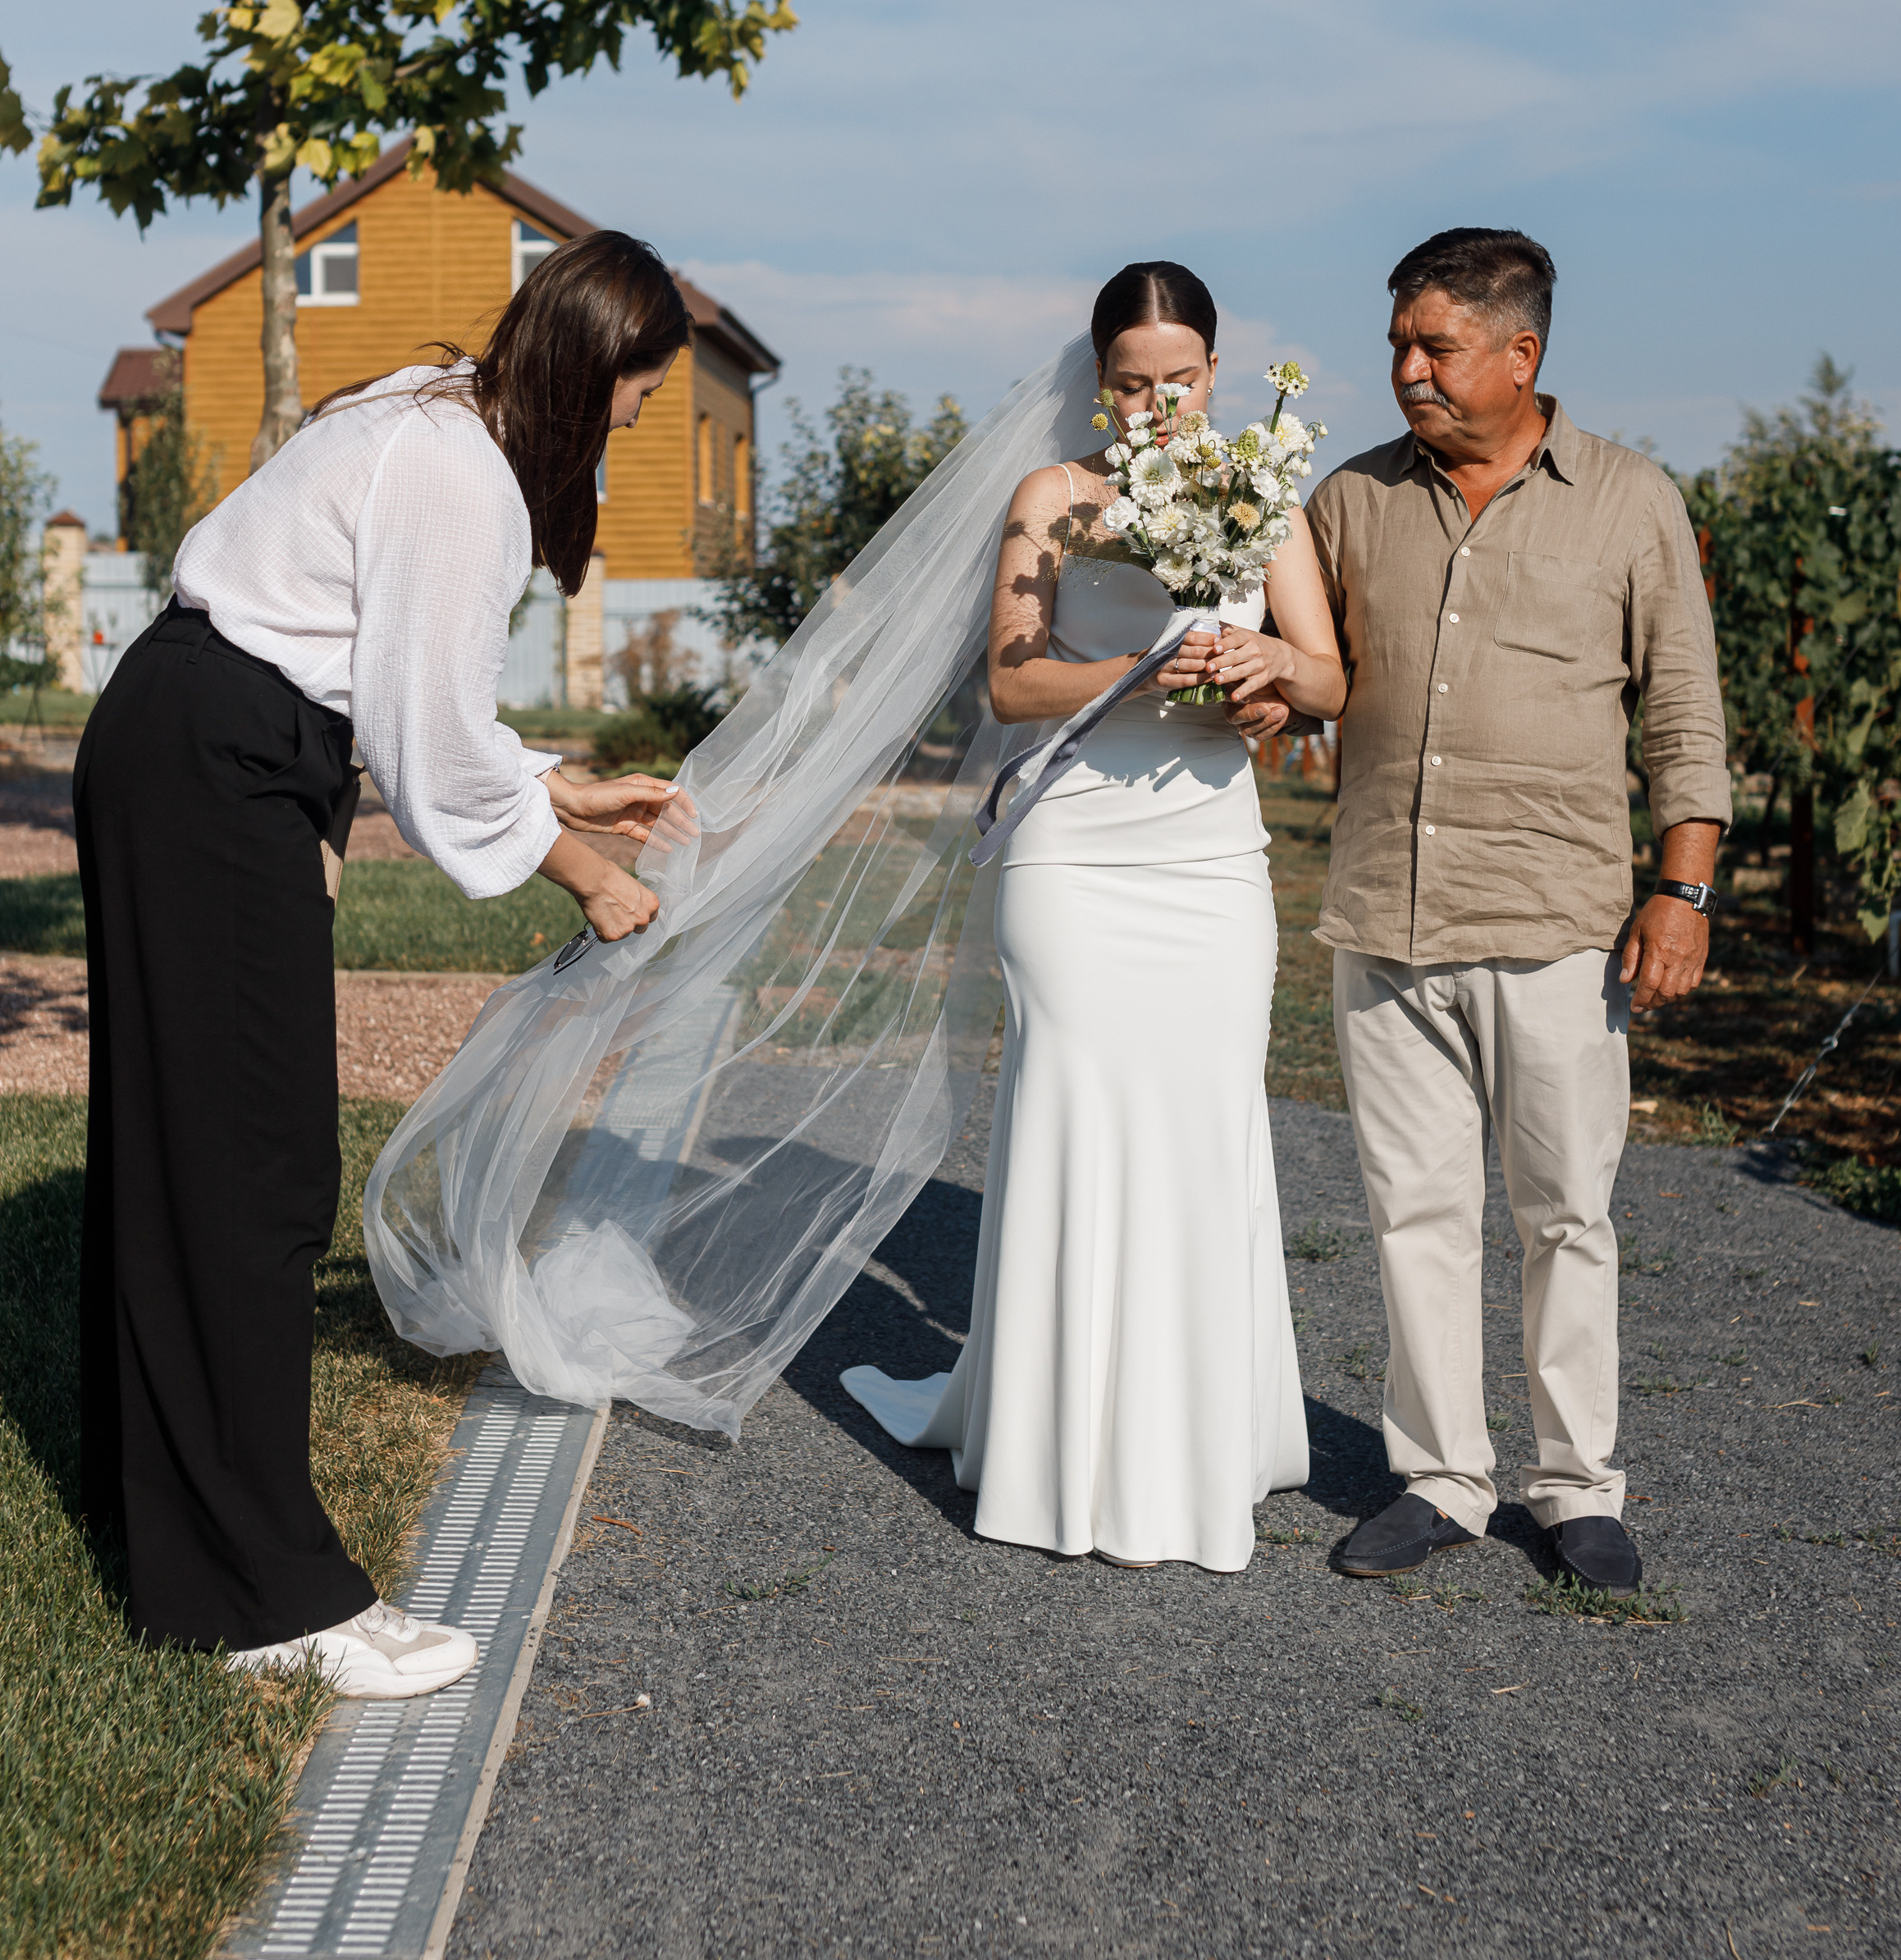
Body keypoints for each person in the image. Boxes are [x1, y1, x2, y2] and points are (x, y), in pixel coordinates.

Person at [77, 234, 695, 1697]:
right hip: (216, 761)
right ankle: (269, 1602)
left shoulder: (430, 410)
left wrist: (550, 782)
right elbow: (427, 737)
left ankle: (161, 1525)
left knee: (189, 1156)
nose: (632, 425)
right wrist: (591, 873)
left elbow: (387, 686)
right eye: (642, 398)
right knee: (251, 1176)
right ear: (599, 367)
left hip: (196, 737)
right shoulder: (457, 474)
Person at [1232, 226, 1730, 1593]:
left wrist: (1679, 888)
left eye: (1433, 347)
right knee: (1415, 1215)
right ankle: (1440, 1480)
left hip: (1558, 919)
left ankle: (1575, 1488)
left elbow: (1683, 709)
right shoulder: (1348, 503)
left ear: (1523, 352)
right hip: (1384, 919)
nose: (1404, 371)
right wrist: (1250, 681)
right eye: (1397, 343)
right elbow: (1308, 675)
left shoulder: (1628, 501)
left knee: (1564, 1214)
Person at [841, 263, 1347, 1571]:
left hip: (1210, 857)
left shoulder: (1261, 494)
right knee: (1074, 1114)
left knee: (1203, 1123)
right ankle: (1053, 1445)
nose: (1153, 406)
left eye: (1178, 383)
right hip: (1072, 855)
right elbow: (1012, 685)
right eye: (1129, 384)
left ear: (1217, 378)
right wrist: (1142, 675)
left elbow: (1329, 668)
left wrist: (1270, 676)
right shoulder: (1053, 501)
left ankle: (1194, 1445)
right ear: (1096, 378)